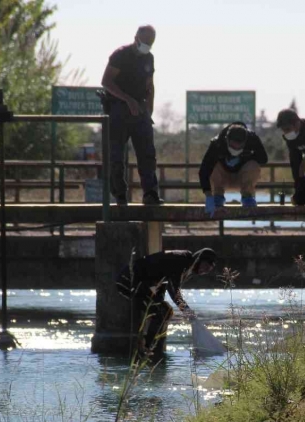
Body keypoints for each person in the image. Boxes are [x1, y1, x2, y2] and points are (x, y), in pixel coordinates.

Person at [116, 248, 217, 359]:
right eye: (205, 267)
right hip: (129, 281)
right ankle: (149, 350)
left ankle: (154, 349)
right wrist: (186, 310)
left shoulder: (186, 263)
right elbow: (173, 289)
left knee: (166, 310)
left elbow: (162, 284)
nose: (204, 271)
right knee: (161, 313)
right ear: (199, 259)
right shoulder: (182, 260)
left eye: (208, 271)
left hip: (140, 283)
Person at [101, 25, 162, 206]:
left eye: (151, 42)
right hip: (118, 109)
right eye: (145, 42)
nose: (148, 45)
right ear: (136, 38)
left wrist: (149, 110)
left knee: (147, 154)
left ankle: (150, 194)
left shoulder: (149, 57)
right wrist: (128, 100)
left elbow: (150, 85)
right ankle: (120, 196)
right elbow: (106, 81)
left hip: (140, 111)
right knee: (117, 156)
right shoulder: (120, 55)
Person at [198, 122, 268, 214]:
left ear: (245, 141)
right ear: (227, 140)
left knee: (253, 165)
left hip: (242, 178)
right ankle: (218, 196)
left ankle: (247, 196)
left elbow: (264, 159)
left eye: (240, 146)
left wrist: (246, 156)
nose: (236, 148)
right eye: (233, 145)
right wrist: (208, 196)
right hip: (223, 179)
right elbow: (203, 171)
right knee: (212, 165)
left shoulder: (252, 139)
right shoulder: (217, 143)